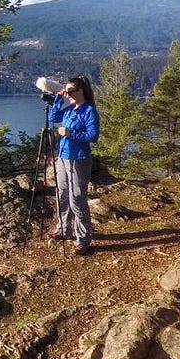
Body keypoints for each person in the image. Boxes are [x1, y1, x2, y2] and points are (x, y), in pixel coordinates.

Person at [47, 75, 100, 255]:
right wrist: (57, 99)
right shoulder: (69, 109)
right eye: (66, 90)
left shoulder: (89, 111)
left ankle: (83, 238)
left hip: (79, 159)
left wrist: (69, 133)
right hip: (63, 157)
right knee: (62, 194)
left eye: (70, 91)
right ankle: (63, 229)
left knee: (76, 198)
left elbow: (92, 136)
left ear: (81, 91)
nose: (68, 93)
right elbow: (53, 117)